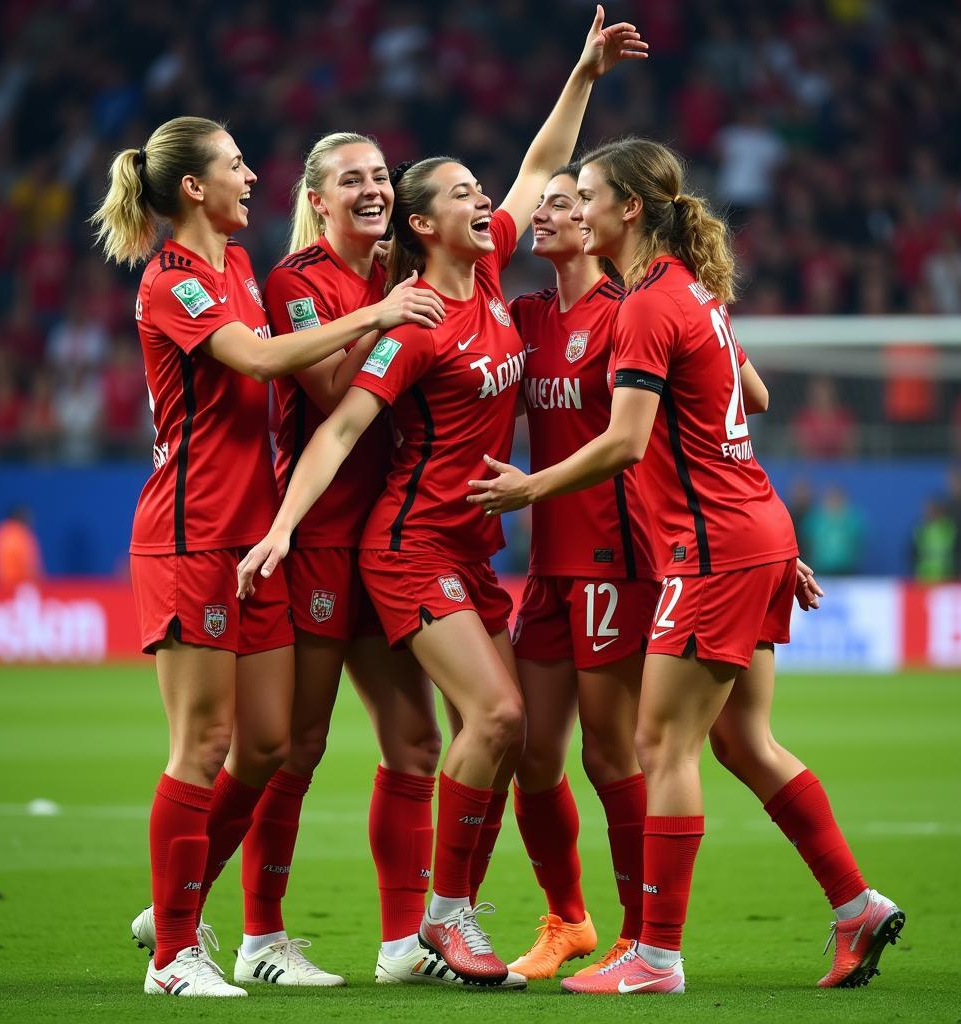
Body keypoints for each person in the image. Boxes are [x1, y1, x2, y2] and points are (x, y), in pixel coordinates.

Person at [237, 7, 649, 987]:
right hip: (407, 544)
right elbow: (338, 426)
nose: (489, 201)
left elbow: (541, 156)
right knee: (497, 718)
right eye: (462, 194)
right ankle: (442, 915)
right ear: (425, 225)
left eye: (482, 192)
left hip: (468, 551)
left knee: (479, 740)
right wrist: (282, 529)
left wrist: (584, 74)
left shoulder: (495, 271)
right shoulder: (415, 318)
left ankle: (429, 922)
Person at [467, 136, 904, 996]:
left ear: (628, 209)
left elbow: (625, 442)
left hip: (711, 551)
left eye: (585, 194)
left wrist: (530, 488)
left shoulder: (640, 308)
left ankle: (655, 956)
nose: (573, 205)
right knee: (745, 742)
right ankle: (856, 908)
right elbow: (741, 408)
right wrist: (770, 543)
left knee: (659, 747)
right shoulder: (692, 293)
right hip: (751, 533)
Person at [91, 115, 445, 997]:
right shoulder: (174, 281)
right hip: (191, 532)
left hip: (256, 534)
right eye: (237, 166)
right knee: (203, 743)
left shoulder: (239, 267)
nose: (253, 177)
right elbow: (255, 360)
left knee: (269, 744)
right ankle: (175, 956)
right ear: (193, 190)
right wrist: (377, 310)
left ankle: (179, 906)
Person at [241, 130, 458, 988]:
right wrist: (390, 315)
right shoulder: (298, 280)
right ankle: (260, 939)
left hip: (398, 538)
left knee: (414, 742)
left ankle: (404, 944)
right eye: (351, 181)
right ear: (320, 201)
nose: (370, 190)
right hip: (323, 534)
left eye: (380, 177)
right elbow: (334, 393)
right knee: (299, 744)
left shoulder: (409, 266)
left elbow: (508, 204)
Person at [502, 163, 659, 980]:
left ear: (597, 221)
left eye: (565, 203)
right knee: (532, 752)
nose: (547, 214)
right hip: (548, 567)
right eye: (544, 205)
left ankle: (644, 933)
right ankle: (568, 918)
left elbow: (719, 393)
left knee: (610, 756)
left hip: (614, 558)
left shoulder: (626, 312)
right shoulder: (524, 317)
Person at [0, 506, 43, 585]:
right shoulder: (20, 533)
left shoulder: (0, 532)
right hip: (21, 584)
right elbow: (28, 564)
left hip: (2, 584)